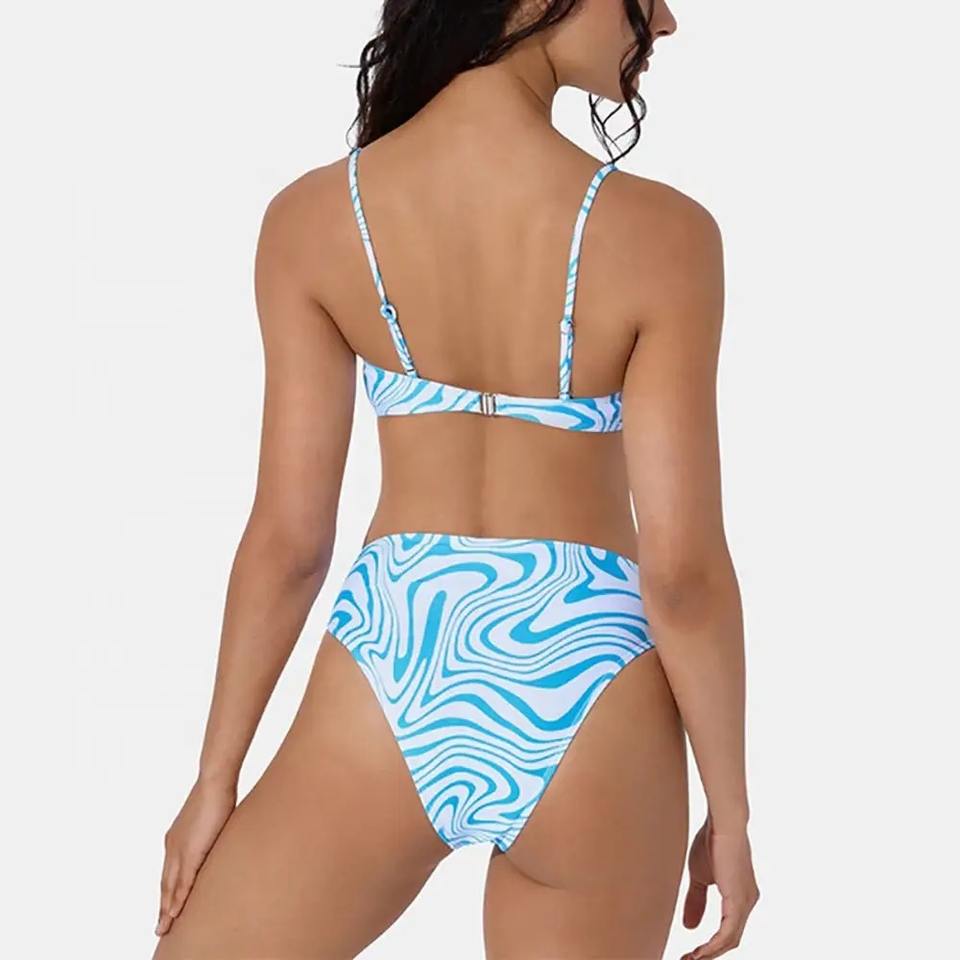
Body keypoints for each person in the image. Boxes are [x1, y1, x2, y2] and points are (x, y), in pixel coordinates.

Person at [153, 2, 759, 958]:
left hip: (392, 655)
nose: (667, 21)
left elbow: (289, 542)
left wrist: (214, 781)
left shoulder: (315, 218)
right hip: (593, 680)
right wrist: (731, 812)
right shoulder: (666, 236)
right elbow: (682, 573)